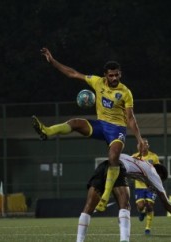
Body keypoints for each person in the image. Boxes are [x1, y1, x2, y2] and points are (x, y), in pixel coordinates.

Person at [34, 47, 145, 212]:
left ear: (120, 74)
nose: (114, 78)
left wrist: (139, 139)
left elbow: (130, 118)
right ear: (105, 75)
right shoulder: (97, 81)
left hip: (117, 130)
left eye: (117, 75)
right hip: (101, 126)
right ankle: (47, 131)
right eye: (111, 75)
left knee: (113, 156)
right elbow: (72, 73)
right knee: (76, 122)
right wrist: (53, 61)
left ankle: (105, 196)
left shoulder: (125, 92)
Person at [76, 154, 171, 242]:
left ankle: (79, 240)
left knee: (88, 208)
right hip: (118, 168)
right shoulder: (154, 173)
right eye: (161, 180)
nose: (158, 183)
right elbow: (166, 202)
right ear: (160, 174)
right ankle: (124, 239)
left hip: (104, 166)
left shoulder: (141, 163)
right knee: (125, 206)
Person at [131, 138, 160, 235]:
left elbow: (159, 170)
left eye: (146, 144)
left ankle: (147, 228)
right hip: (139, 186)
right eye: (142, 144)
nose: (144, 146)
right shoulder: (134, 157)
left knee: (150, 205)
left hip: (151, 186)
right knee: (140, 206)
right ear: (139, 146)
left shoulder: (154, 157)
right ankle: (142, 212)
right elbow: (129, 170)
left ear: (148, 146)